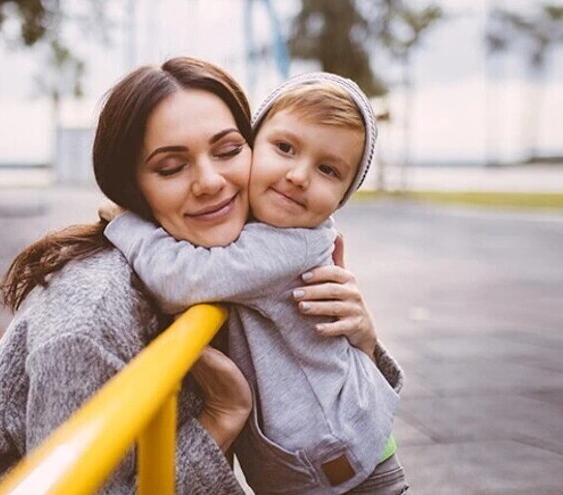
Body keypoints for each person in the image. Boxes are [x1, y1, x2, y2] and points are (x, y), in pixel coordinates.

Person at [0, 58, 394, 495]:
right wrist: (218, 420)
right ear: (129, 185)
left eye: (226, 150)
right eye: (171, 166)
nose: (209, 181)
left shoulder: (249, 251)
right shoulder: (89, 321)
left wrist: (362, 339)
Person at [103, 72, 407, 494]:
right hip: (346, 443)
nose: (299, 175)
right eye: (284, 148)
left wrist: (127, 224)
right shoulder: (267, 229)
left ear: (340, 199)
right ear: (254, 143)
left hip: (341, 470)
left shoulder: (287, 245)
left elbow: (184, 278)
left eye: (328, 169)